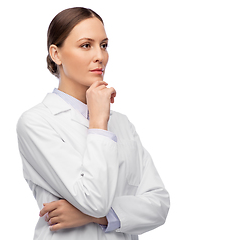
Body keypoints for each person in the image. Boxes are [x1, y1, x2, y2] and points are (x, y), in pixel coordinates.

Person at [16, 7, 170, 240]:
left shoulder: (122, 123)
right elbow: (94, 200)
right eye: (86, 45)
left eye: (104, 45)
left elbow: (158, 204)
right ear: (56, 54)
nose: (100, 55)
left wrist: (98, 218)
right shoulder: (36, 122)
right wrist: (98, 122)